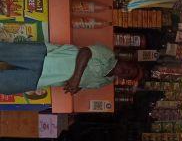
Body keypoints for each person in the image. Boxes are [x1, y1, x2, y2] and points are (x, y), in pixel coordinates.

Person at [0, 41, 143, 95]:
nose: (126, 72)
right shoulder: (108, 55)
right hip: (45, 56)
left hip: (44, 79)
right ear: (127, 61)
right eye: (129, 68)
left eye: (128, 75)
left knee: (4, 86)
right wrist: (76, 78)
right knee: (4, 51)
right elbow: (85, 52)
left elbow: (83, 84)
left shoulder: (105, 82)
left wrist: (76, 87)